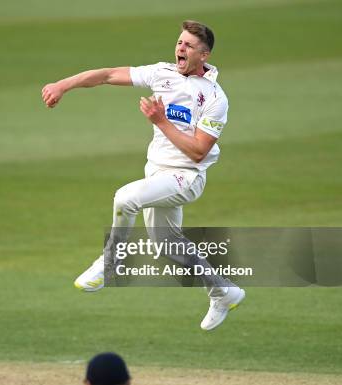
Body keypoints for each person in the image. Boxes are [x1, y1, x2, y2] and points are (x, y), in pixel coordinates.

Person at [41, 20, 245, 331]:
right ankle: (224, 291)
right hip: (157, 173)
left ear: (204, 55)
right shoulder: (162, 73)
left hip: (186, 177)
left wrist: (161, 122)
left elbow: (198, 152)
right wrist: (63, 85)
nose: (180, 48)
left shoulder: (215, 98)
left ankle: (111, 263)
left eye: (188, 46)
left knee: (126, 198)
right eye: (179, 42)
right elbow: (108, 75)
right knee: (167, 245)